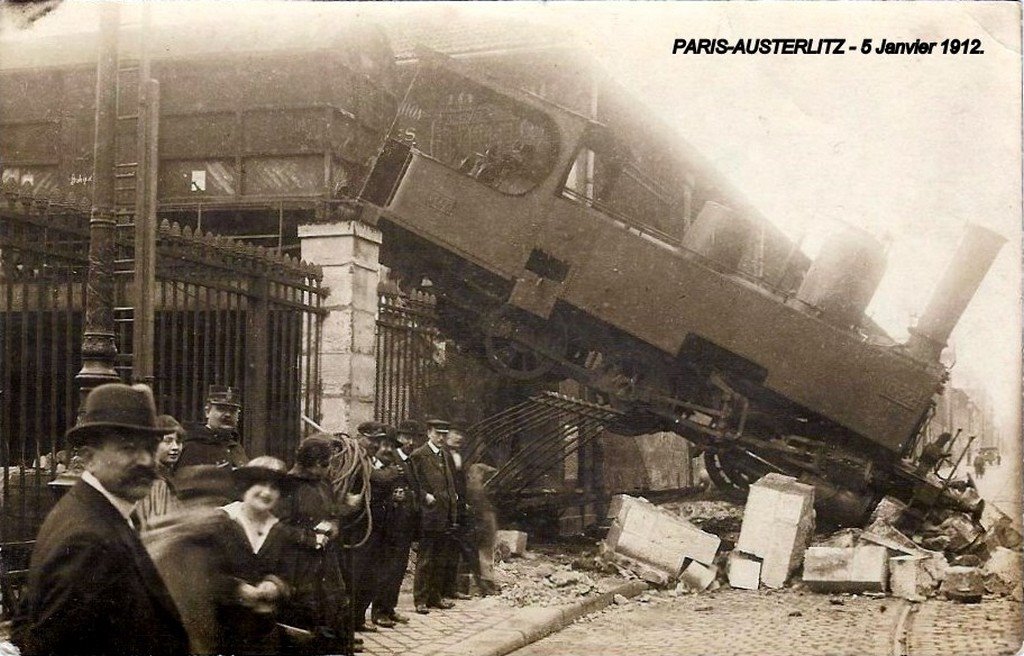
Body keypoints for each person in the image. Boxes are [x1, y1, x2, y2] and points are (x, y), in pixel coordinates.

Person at [12, 383, 189, 656]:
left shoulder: (97, 511)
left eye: (149, 448)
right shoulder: (89, 540)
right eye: (128, 448)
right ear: (88, 458)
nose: (145, 461)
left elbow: (27, 620)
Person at [144, 465, 237, 654]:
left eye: (215, 505)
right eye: (202, 505)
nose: (211, 513)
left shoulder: (223, 537)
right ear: (185, 505)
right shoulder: (165, 546)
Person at [278, 435, 350, 654]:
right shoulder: (288, 485)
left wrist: (334, 523)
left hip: (327, 562)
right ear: (313, 463)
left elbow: (332, 510)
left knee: (333, 608)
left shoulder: (323, 482)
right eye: (326, 464)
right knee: (306, 614)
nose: (329, 470)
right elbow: (279, 527)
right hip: (300, 566)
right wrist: (311, 539)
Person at [215, 456, 292, 655]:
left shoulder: (280, 530)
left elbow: (290, 575)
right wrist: (237, 589)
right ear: (246, 486)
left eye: (274, 487)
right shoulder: (222, 522)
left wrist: (275, 584)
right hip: (219, 629)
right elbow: (201, 573)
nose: (267, 492)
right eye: (260, 484)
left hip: (263, 632)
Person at [372, 421, 423, 627]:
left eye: (412, 438)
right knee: (387, 569)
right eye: (404, 438)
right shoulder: (390, 461)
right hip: (392, 524)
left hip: (405, 524)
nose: (409, 442)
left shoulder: (408, 461)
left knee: (398, 568)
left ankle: (389, 608)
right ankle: (379, 611)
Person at [409, 418, 459, 614]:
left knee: (440, 558)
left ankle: (435, 597)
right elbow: (413, 483)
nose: (441, 438)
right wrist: (425, 496)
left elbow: (449, 482)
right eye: (437, 433)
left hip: (444, 514)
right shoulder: (419, 455)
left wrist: (453, 500)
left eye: (444, 434)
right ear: (429, 432)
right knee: (426, 559)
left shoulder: (444, 455)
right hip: (428, 515)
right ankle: (420, 599)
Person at [178, 385, 248, 468]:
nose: (228, 415)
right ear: (207, 412)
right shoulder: (192, 447)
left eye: (233, 411)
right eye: (221, 409)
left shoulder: (236, 447)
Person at [137, 414, 185, 530]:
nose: (175, 447)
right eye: (168, 441)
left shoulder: (168, 476)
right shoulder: (152, 480)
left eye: (178, 442)